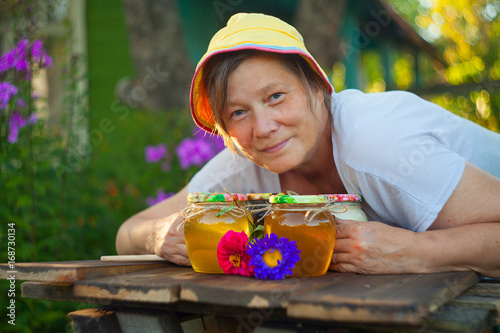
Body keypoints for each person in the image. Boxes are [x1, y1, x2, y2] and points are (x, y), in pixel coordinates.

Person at [115, 13, 500, 278]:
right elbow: (129, 231)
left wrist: (415, 253)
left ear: (317, 86)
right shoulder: (241, 167)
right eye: (237, 113)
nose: (263, 128)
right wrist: (157, 235)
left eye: (276, 96)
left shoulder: (375, 143)